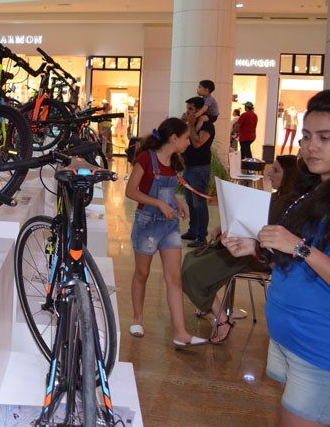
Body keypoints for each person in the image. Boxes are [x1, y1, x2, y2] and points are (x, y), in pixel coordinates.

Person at [222, 89, 330, 426]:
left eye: (325, 138)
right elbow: (296, 262)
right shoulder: (311, 190)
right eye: (307, 136)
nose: (312, 147)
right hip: (287, 335)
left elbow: (303, 251)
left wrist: (298, 246)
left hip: (318, 348)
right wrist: (256, 248)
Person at [181, 154, 300, 344]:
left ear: (290, 176)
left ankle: (221, 319)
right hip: (246, 248)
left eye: (276, 170)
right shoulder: (276, 199)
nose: (269, 173)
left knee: (192, 271)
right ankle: (208, 303)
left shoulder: (293, 206)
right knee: (192, 259)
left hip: (257, 256)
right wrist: (224, 226)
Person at [125, 117, 207, 349]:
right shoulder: (146, 158)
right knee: (142, 273)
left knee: (174, 277)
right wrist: (159, 204)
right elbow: (131, 191)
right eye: (186, 138)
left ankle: (181, 333)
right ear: (173, 138)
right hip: (148, 223)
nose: (189, 142)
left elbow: (167, 191)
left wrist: (178, 202)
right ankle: (137, 319)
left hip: (170, 225)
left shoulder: (175, 161)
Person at [181, 96, 214, 248]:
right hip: (189, 167)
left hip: (200, 168)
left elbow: (198, 143)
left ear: (199, 111)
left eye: (191, 109)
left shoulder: (207, 126)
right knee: (190, 202)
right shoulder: (191, 124)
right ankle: (193, 230)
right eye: (187, 109)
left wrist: (191, 125)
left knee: (199, 203)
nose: (188, 112)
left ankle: (201, 237)